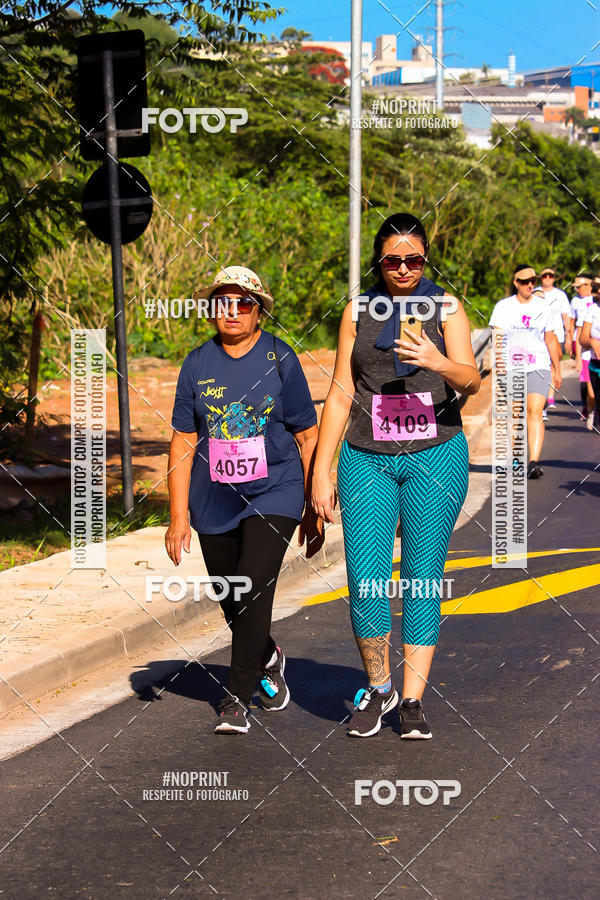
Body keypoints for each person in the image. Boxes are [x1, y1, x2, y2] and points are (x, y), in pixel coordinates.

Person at [311, 212, 480, 740]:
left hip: (436, 455)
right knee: (365, 580)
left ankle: (412, 701)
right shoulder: (357, 311)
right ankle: (380, 687)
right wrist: (321, 469)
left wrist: (436, 359)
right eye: (393, 260)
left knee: (422, 581)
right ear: (379, 263)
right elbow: (341, 390)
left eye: (414, 259)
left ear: (426, 259)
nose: (404, 268)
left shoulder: (446, 309)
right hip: (368, 458)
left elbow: (471, 379)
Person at [166, 266, 322, 734]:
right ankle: (268, 653)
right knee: (231, 592)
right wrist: (177, 517)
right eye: (222, 303)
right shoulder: (196, 363)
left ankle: (236, 697)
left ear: (259, 312)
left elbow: (307, 435)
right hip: (213, 495)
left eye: (243, 304)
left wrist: (314, 504)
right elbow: (181, 441)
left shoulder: (280, 358)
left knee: (252, 586)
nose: (231, 312)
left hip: (276, 488)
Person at [489, 265, 562, 478]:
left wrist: (557, 368)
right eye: (524, 281)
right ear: (516, 283)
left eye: (532, 280)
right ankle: (516, 460)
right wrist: (499, 362)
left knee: (535, 411)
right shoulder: (503, 307)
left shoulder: (543, 306)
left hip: (538, 364)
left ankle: (533, 461)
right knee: (516, 414)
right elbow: (498, 336)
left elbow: (550, 338)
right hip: (512, 366)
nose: (530, 284)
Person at [538, 267, 570, 412]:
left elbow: (566, 316)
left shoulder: (560, 295)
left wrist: (569, 335)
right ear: (541, 277)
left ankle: (550, 396)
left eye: (551, 276)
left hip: (558, 335)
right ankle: (544, 398)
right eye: (545, 276)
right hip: (541, 336)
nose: (548, 278)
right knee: (545, 365)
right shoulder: (536, 293)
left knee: (552, 365)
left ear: (554, 278)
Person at [570, 274, 596, 430]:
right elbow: (576, 326)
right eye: (576, 288)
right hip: (584, 346)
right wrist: (578, 356)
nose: (578, 290)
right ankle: (588, 409)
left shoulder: (593, 301)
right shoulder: (579, 303)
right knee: (586, 384)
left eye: (580, 287)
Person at [579, 288, 600, 431]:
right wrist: (592, 342)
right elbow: (582, 338)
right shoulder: (593, 310)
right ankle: (594, 413)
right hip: (595, 364)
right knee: (596, 398)